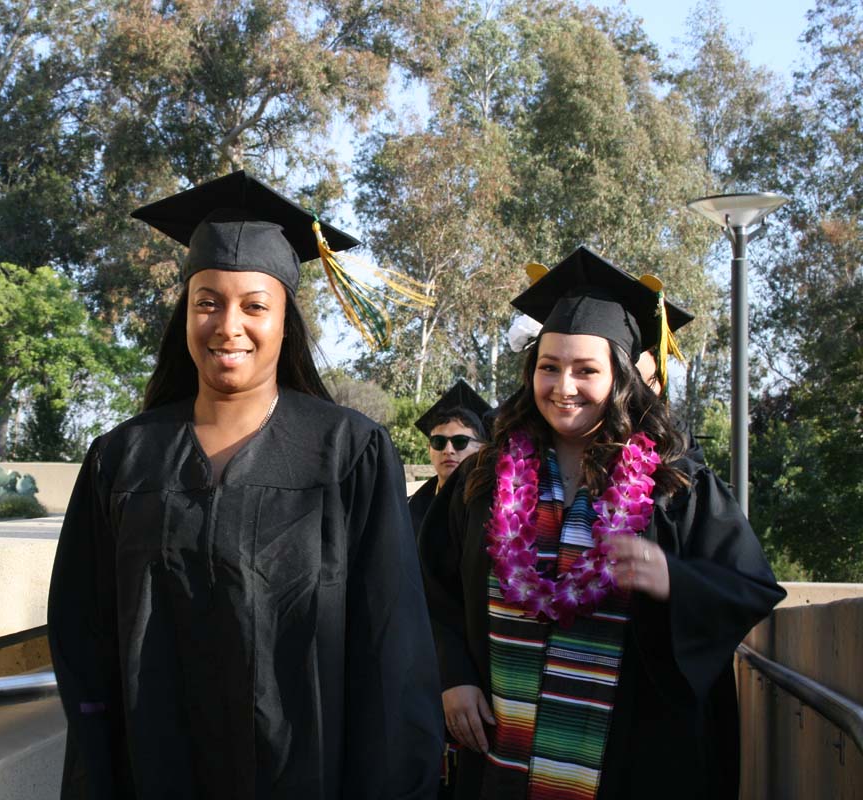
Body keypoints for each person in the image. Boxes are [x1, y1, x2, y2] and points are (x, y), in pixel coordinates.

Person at [47, 170, 444, 800]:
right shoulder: (122, 461)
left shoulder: (348, 453)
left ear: (285, 321)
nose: (228, 324)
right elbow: (83, 640)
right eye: (207, 301)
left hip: (310, 778)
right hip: (153, 774)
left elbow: (392, 649)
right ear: (186, 313)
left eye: (255, 305)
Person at [418, 245, 784, 799]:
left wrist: (672, 579)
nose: (564, 386)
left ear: (619, 379)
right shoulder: (485, 481)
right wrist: (454, 675)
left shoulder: (673, 483)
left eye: (586, 370)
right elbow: (428, 585)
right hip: (501, 743)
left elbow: (750, 586)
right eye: (549, 367)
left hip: (628, 752)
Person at [408, 380, 492, 537]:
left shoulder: (497, 508)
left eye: (460, 442)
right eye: (438, 442)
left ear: (481, 448)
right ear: (429, 449)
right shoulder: (408, 508)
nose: (448, 450)